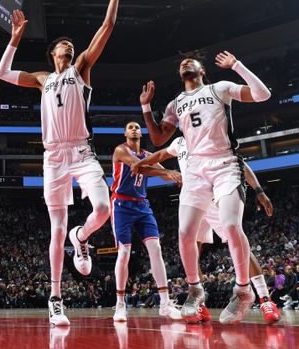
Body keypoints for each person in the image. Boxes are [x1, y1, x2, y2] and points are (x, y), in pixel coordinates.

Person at [0, 0, 129, 326]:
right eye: (63, 46)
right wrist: (15, 38)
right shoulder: (42, 78)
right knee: (54, 229)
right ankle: (56, 299)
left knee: (103, 210)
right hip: (53, 157)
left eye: (72, 47)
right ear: (53, 53)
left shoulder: (81, 68)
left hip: (83, 153)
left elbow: (108, 25)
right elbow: (2, 72)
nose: (68, 48)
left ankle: (82, 237)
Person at [140, 52, 271, 324]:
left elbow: (263, 94)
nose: (185, 63)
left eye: (191, 61)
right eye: (181, 63)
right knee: (185, 234)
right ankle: (194, 289)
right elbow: (157, 139)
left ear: (202, 70)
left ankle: (244, 291)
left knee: (232, 227)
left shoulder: (219, 88)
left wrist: (237, 65)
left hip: (224, 163)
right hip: (196, 170)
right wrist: (145, 108)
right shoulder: (176, 103)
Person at [134, 136, 282, 324]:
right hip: (193, 199)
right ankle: (200, 304)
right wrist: (140, 163)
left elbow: (239, 163)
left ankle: (265, 300)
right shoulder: (179, 142)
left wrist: (259, 190)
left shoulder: (209, 133)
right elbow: (160, 155)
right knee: (192, 250)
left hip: (215, 197)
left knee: (237, 242)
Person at [109, 121, 182, 322]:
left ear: (140, 133)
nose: (133, 129)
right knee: (124, 252)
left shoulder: (148, 155)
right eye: (130, 127)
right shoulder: (120, 150)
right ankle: (120, 304)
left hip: (142, 205)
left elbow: (165, 173)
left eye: (136, 127)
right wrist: (166, 172)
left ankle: (165, 303)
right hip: (121, 205)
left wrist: (179, 177)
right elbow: (138, 167)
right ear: (125, 132)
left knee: (156, 248)